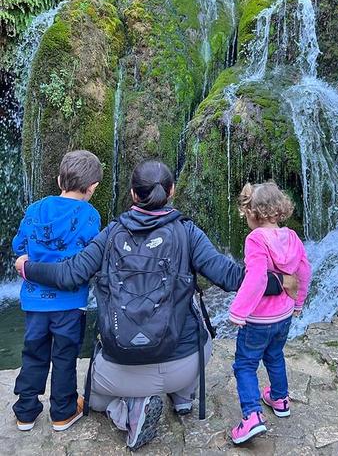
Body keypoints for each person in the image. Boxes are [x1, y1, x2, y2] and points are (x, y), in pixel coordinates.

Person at [15, 160, 295, 451]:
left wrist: (28, 267)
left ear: (134, 195)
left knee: (94, 399)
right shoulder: (188, 232)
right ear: (171, 191)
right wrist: (280, 282)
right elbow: (230, 276)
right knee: (198, 327)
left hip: (119, 373)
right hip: (183, 365)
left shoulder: (110, 234)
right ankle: (183, 396)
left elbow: (69, 273)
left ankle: (128, 410)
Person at [13, 150, 102, 432]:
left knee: (33, 353)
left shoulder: (35, 209)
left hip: (35, 303)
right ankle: (62, 411)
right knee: (65, 355)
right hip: (70, 303)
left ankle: (25, 412)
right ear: (92, 188)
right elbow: (93, 255)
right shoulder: (90, 215)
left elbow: (19, 246)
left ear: (58, 180)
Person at [229, 181, 312, 445]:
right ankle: (280, 399)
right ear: (279, 210)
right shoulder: (293, 237)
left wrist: (238, 311)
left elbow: (256, 279)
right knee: (275, 356)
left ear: (253, 213)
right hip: (284, 316)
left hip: (258, 320)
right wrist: (299, 302)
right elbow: (304, 272)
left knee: (245, 364)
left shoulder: (255, 239)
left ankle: (252, 416)